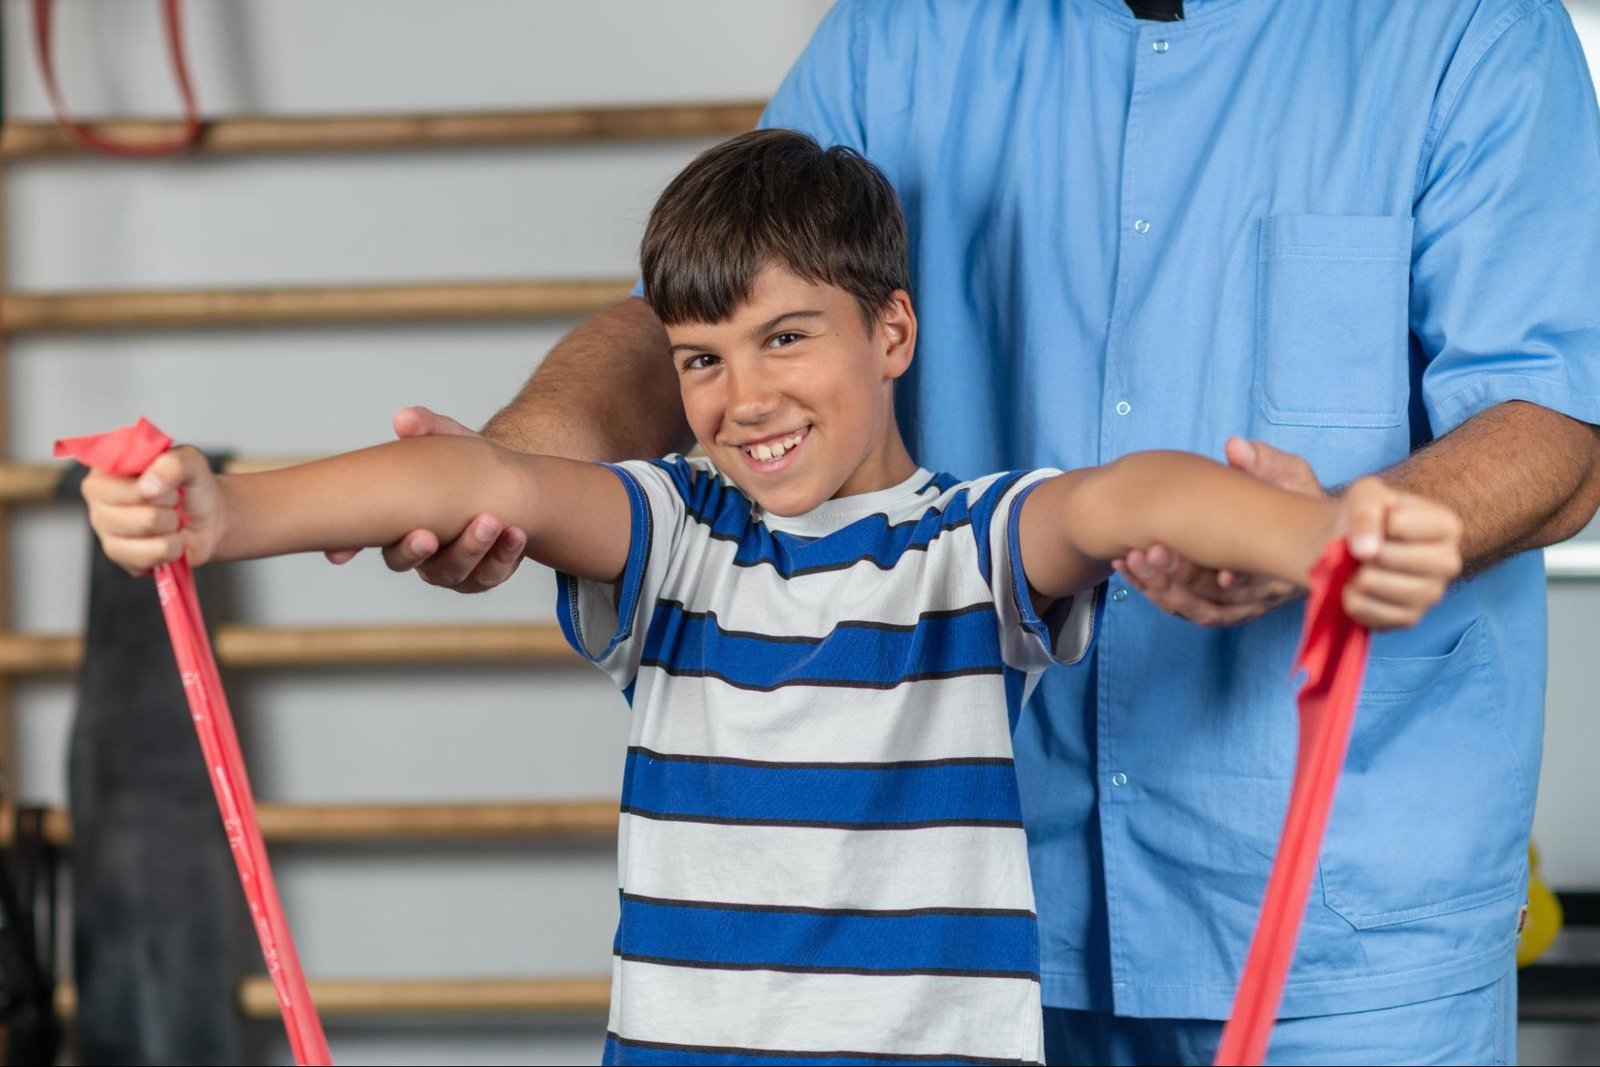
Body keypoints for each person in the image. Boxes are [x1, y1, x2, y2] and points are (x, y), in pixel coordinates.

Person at [83, 130, 1463, 1066]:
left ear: (893, 333)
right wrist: (225, 513)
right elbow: (473, 471)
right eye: (698, 360)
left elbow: (1140, 497)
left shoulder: (968, 548)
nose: (741, 400)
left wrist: (1331, 531)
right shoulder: (678, 533)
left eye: (784, 339)